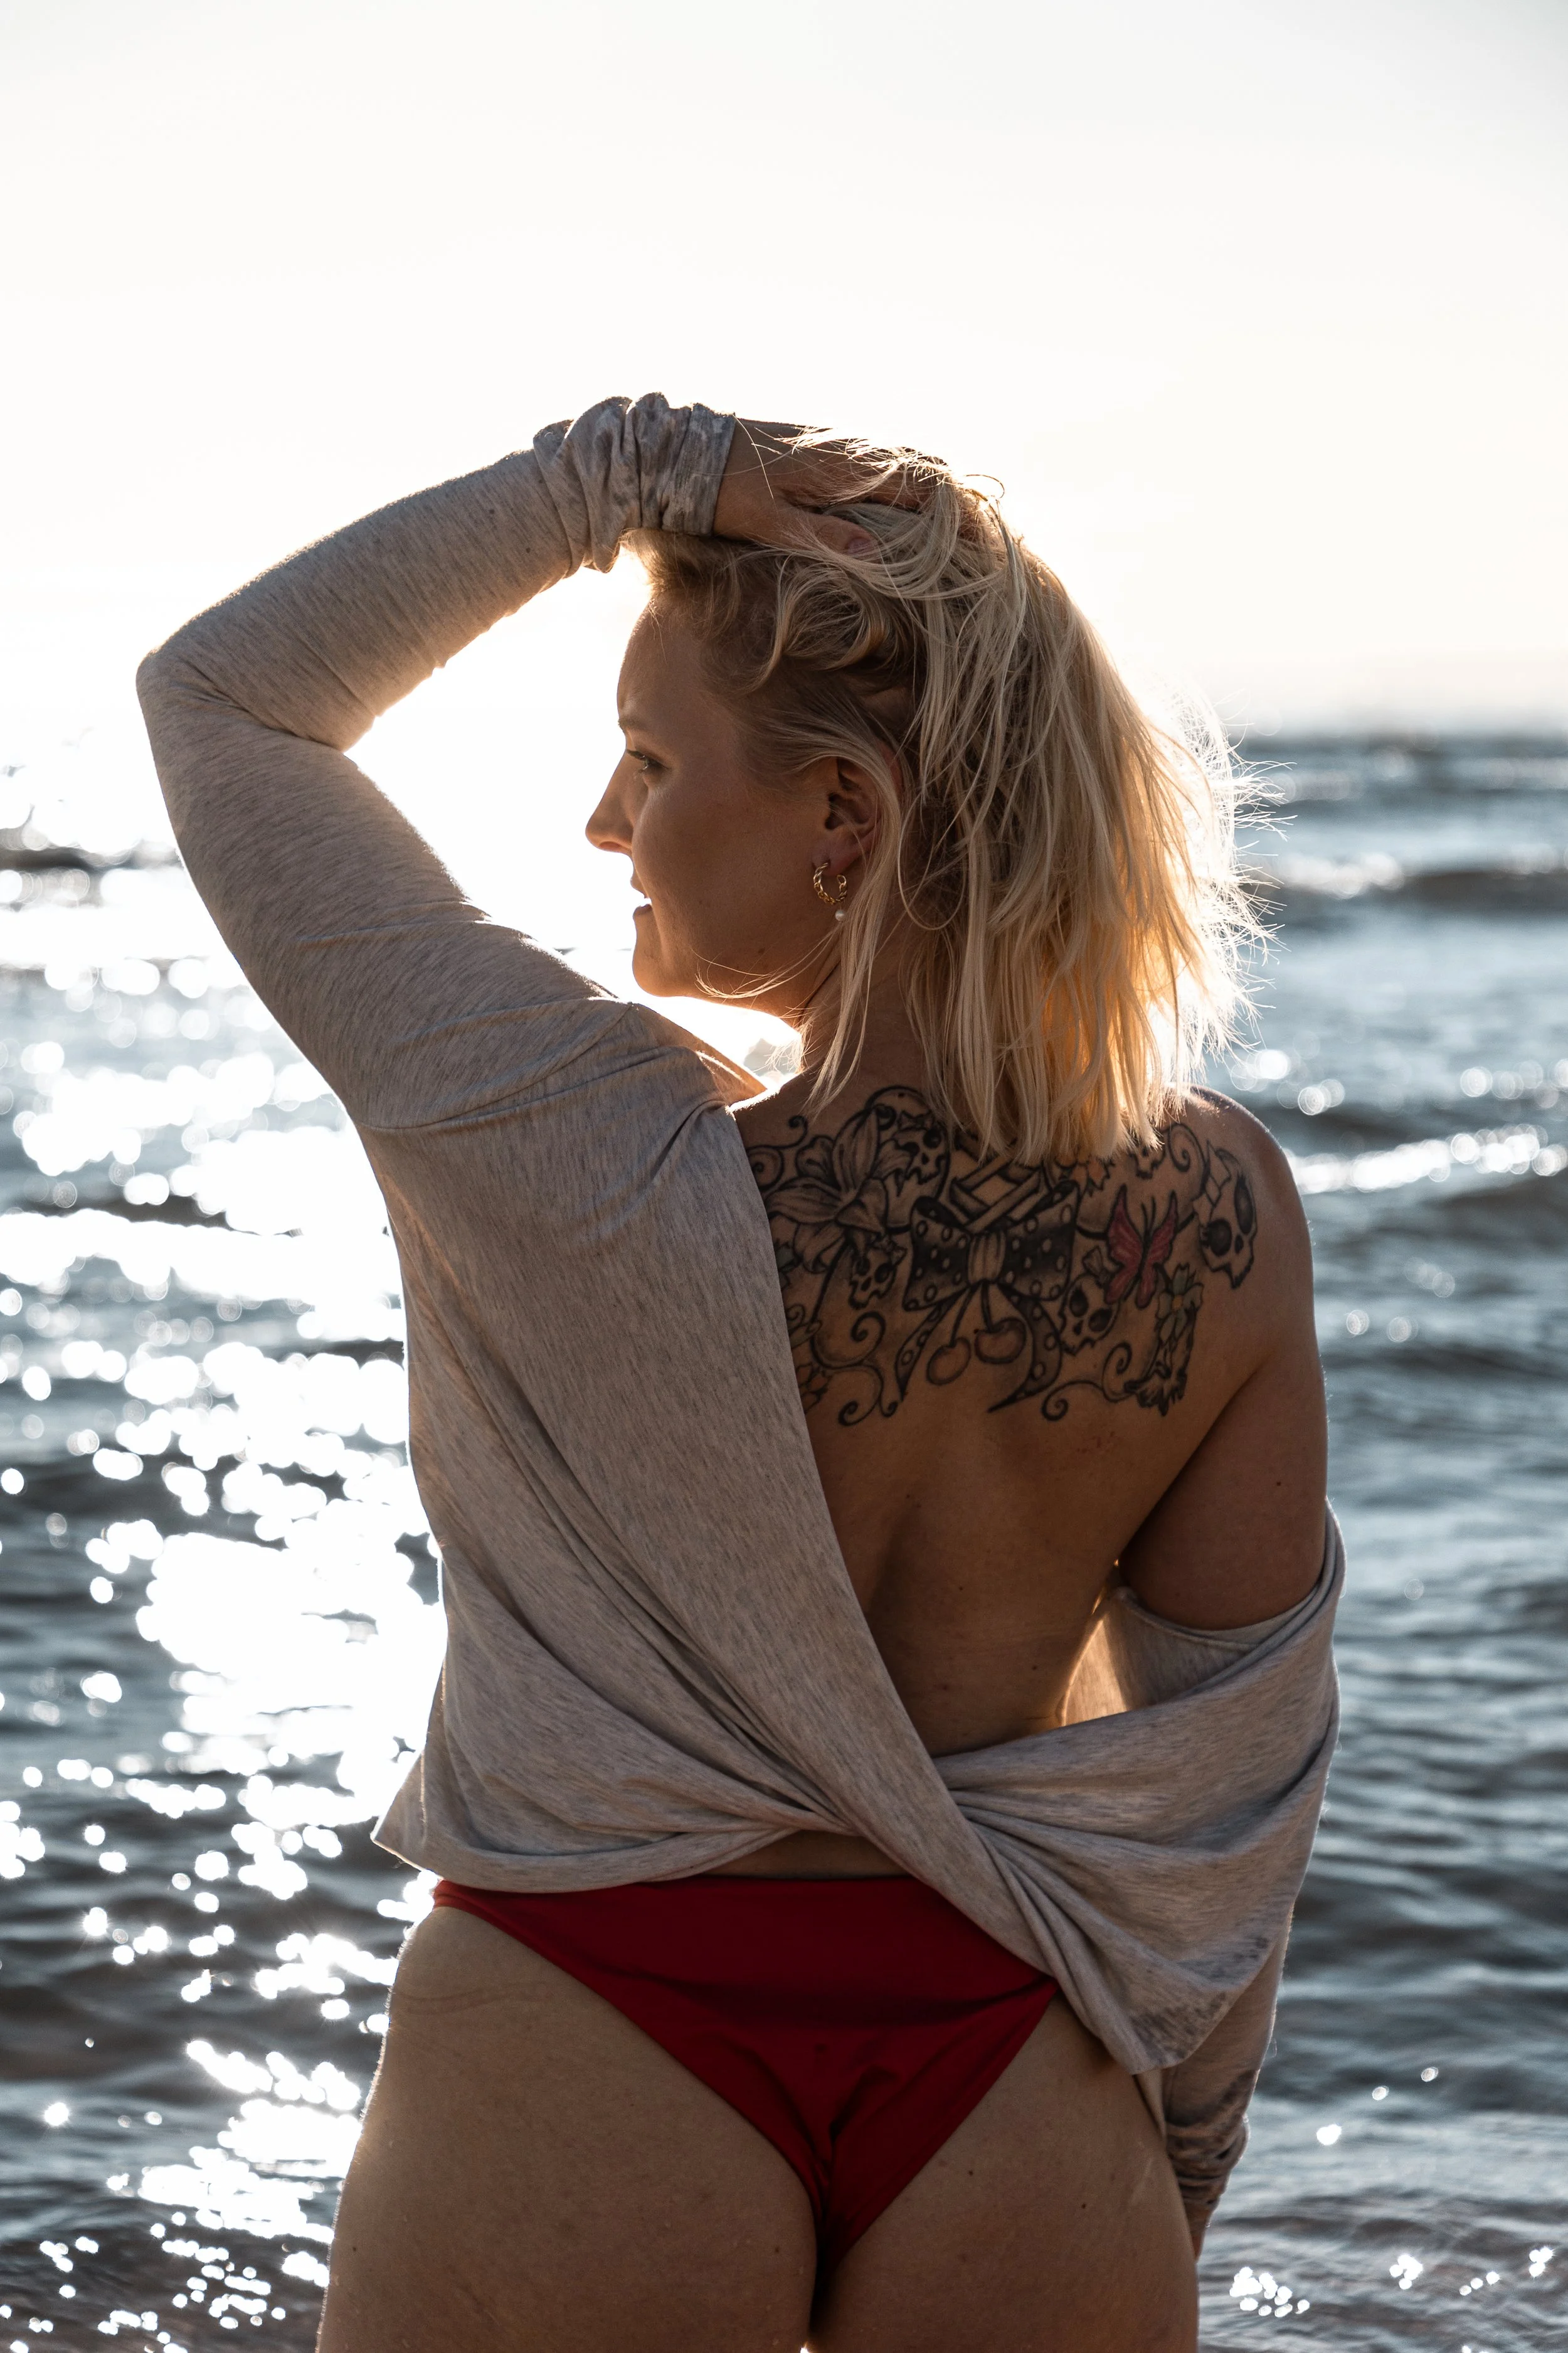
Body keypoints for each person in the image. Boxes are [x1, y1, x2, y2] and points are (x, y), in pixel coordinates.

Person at [137, 395, 1335, 2353]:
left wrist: (617, 475)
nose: (607, 823)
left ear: (840, 816)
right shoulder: (1215, 1214)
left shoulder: (557, 1133)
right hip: (1015, 2068)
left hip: (593, 2021)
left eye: (649, 758)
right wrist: (1143, 2149)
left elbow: (226, 700)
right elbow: (1224, 1772)